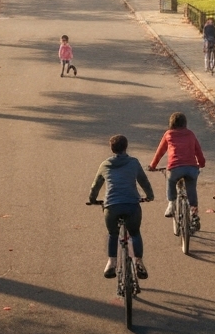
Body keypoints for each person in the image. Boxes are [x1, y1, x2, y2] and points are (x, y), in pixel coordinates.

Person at [88, 134, 154, 279]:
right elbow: (144, 181)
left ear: (111, 149)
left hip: (112, 207)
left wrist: (92, 200)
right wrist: (150, 196)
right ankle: (138, 262)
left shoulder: (105, 165)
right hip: (132, 205)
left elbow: (95, 186)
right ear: (126, 147)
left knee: (113, 233)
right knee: (135, 233)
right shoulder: (133, 162)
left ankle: (111, 263)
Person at [148, 112, 206, 228]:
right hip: (191, 168)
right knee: (191, 190)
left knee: (170, 181)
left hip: (175, 168)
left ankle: (171, 203)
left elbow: (160, 152)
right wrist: (201, 163)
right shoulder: (190, 134)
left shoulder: (168, 134)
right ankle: (194, 213)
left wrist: (153, 165)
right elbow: (198, 151)